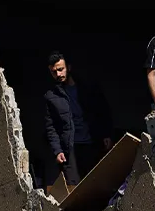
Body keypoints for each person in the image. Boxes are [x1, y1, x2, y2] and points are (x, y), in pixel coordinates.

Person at [43, 51, 113, 185]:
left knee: (97, 182)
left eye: (60, 69)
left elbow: (102, 112)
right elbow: (51, 127)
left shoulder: (88, 87)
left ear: (68, 67)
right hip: (71, 149)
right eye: (53, 72)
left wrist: (106, 134)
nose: (58, 74)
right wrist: (57, 151)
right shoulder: (51, 96)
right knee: (74, 187)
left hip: (92, 143)